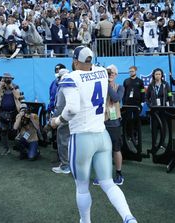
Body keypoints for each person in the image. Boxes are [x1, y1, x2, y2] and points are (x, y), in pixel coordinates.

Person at [51, 46, 136, 223]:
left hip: (82, 137)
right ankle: (129, 218)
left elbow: (72, 109)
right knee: (108, 183)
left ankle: (85, 221)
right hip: (102, 135)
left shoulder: (70, 77)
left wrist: (57, 121)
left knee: (82, 187)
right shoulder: (101, 72)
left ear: (75, 61)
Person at [0, 73, 21, 155]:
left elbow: (18, 96)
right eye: (5, 79)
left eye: (9, 79)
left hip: (14, 111)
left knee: (15, 129)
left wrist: (12, 88)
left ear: (12, 79)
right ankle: (6, 148)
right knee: (3, 130)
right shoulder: (0, 86)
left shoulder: (15, 86)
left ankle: (19, 147)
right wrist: (0, 86)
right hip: (3, 112)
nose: (7, 80)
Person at [50, 68, 71, 174]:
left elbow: (60, 107)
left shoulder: (63, 89)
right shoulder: (71, 86)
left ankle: (65, 166)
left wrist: (54, 119)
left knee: (63, 142)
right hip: (73, 118)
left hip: (64, 118)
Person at [122, 66, 145, 144]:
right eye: (130, 71)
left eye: (132, 71)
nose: (131, 72)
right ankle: (129, 136)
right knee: (128, 120)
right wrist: (124, 103)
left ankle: (135, 136)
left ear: (136, 71)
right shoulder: (126, 81)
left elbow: (142, 92)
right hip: (128, 104)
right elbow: (124, 93)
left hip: (137, 104)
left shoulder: (140, 81)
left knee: (136, 120)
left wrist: (142, 103)